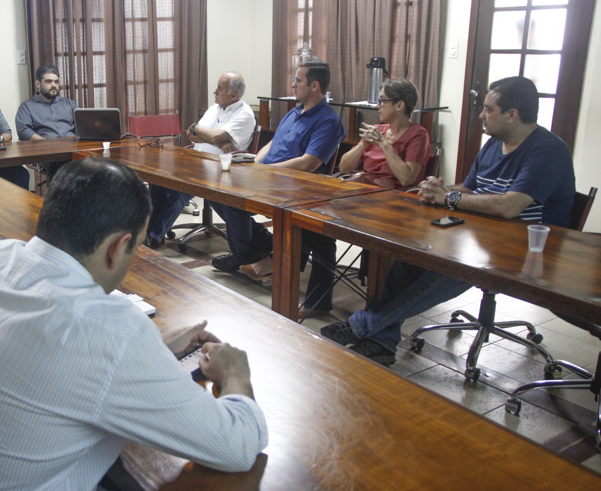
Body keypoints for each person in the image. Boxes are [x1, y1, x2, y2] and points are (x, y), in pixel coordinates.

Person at [0, 158, 268, 491]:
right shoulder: (106, 330)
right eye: (135, 248)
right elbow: (237, 445)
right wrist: (235, 374)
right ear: (117, 247)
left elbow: (50, 359)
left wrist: (152, 350)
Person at [321, 77, 576, 365]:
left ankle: (363, 325)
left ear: (512, 114)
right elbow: (468, 189)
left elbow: (510, 206)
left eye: (488, 109)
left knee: (449, 267)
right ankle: (381, 342)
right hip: (481, 232)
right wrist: (438, 190)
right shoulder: (493, 144)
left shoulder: (547, 150)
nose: (481, 115)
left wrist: (449, 199)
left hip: (527, 247)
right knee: (409, 255)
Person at [210, 59, 345, 319]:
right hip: (267, 177)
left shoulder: (328, 121)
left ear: (315, 85)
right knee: (219, 191)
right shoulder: (294, 112)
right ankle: (255, 251)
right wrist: (255, 164)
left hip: (296, 187)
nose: (293, 85)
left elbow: (309, 163)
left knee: (319, 238)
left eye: (298, 80)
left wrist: (268, 172)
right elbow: (270, 146)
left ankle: (255, 256)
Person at [145, 71, 256, 248]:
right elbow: (192, 134)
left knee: (178, 188)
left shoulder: (245, 114)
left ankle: (152, 236)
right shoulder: (214, 109)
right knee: (158, 179)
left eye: (219, 88)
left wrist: (210, 134)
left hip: (222, 169)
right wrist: (210, 135)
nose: (214, 91)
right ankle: (149, 232)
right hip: (196, 162)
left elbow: (215, 135)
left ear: (233, 95)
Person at [337, 78, 430, 189]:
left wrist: (384, 144)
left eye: (382, 101)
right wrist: (363, 144)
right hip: (365, 188)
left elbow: (407, 179)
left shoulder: (418, 134)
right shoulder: (377, 130)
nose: (378, 106)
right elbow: (344, 168)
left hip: (394, 197)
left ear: (399, 105)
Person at [14, 65, 77, 141]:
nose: (54, 85)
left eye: (56, 82)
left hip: (74, 147)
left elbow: (84, 124)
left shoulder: (70, 104)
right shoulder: (26, 107)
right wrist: (46, 143)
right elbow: (24, 131)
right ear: (38, 84)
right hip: (44, 149)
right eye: (48, 81)